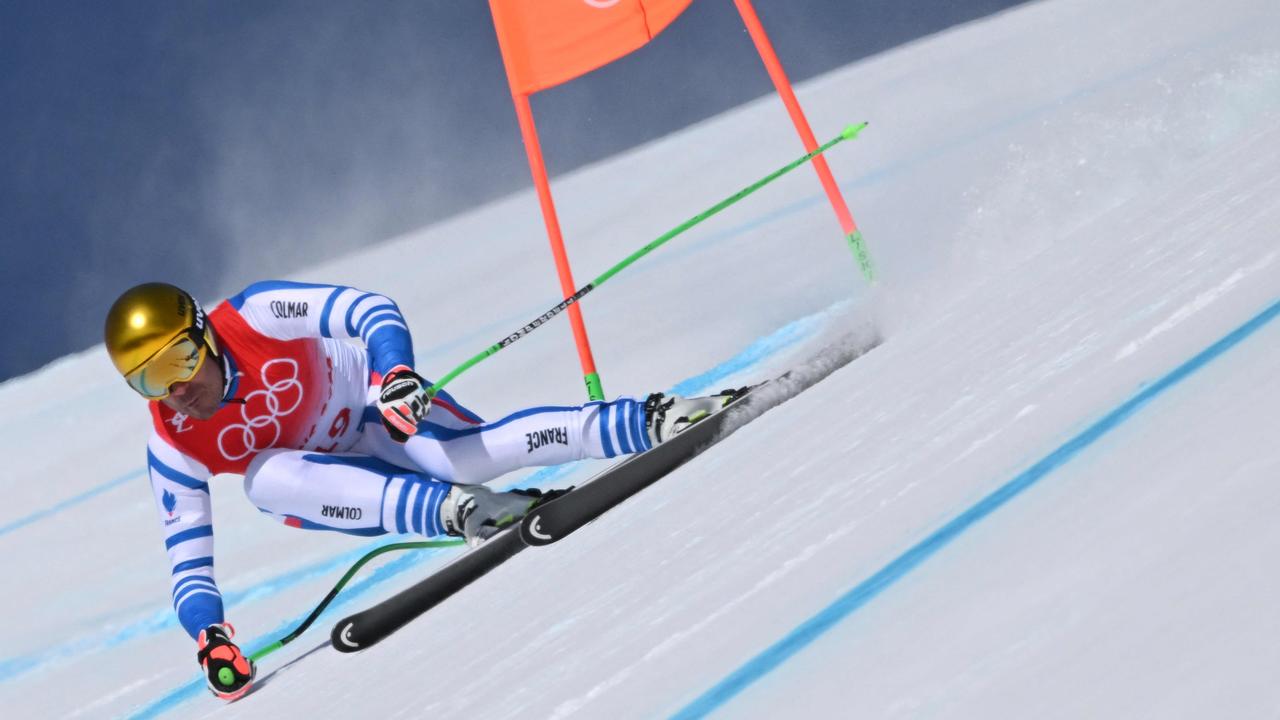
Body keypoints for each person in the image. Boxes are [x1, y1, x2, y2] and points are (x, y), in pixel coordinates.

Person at [103, 280, 735, 701]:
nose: (176, 388)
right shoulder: (172, 438)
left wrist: (394, 371)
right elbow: (187, 563)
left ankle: (656, 418)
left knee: (456, 455)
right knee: (263, 482)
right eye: (150, 379)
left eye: (179, 359)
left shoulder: (254, 314)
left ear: (205, 333)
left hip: (380, 409)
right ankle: (460, 513)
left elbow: (366, 309)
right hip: (329, 482)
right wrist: (210, 637)